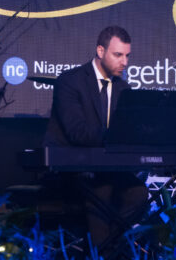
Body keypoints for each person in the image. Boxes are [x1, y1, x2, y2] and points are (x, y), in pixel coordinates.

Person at [43, 26, 147, 256]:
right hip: (71, 172)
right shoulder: (70, 82)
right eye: (118, 55)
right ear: (100, 51)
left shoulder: (124, 88)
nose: (125, 62)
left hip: (107, 171)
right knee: (101, 190)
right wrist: (118, 136)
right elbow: (77, 133)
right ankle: (107, 253)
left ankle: (107, 248)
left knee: (139, 193)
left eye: (127, 55)